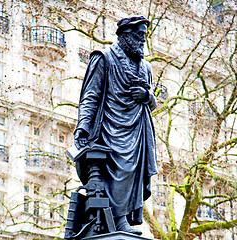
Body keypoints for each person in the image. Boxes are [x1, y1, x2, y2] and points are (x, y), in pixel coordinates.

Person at [74, 15, 158, 235]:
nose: (142, 42)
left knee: (133, 175)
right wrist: (83, 126)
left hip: (137, 129)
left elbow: (153, 102)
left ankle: (123, 220)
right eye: (139, 37)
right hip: (111, 129)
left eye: (144, 37)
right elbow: (90, 96)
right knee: (119, 173)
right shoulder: (104, 58)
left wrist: (147, 96)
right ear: (125, 36)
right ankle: (117, 220)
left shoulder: (146, 67)